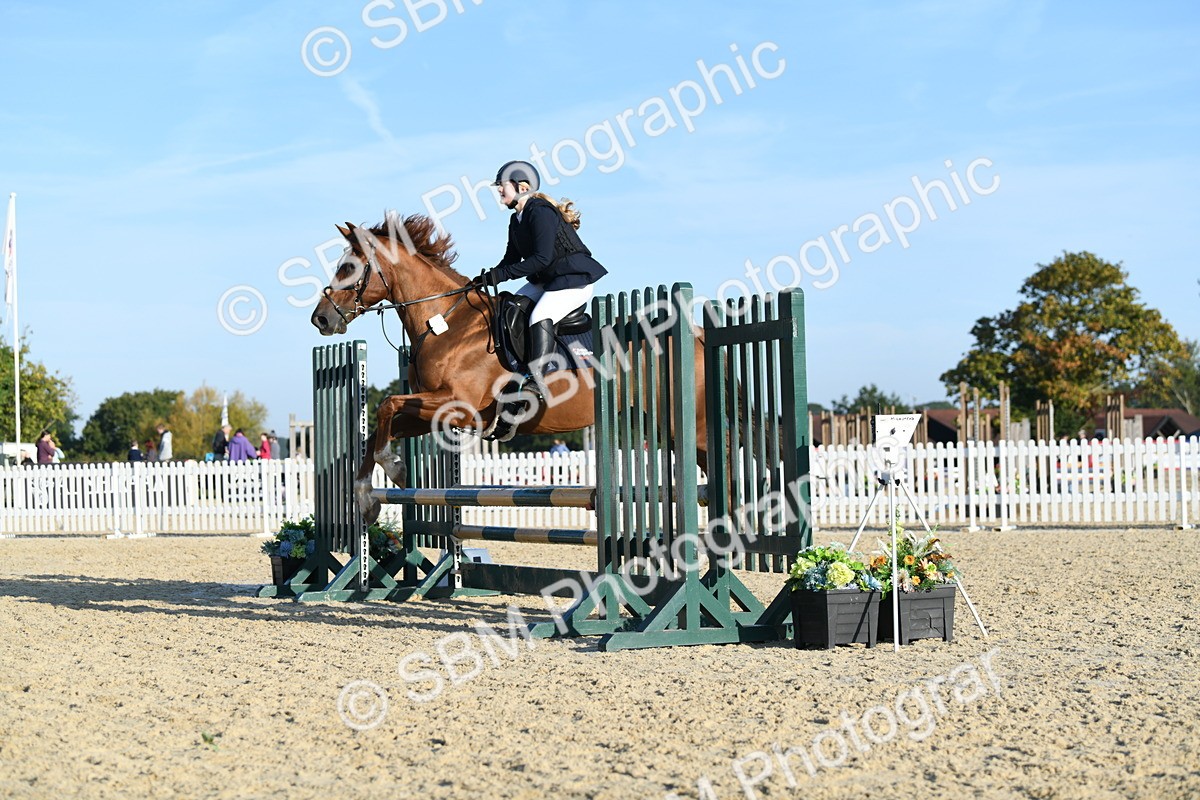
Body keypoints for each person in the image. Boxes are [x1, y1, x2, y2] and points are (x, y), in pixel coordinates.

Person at [473, 160, 607, 406]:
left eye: (502, 185)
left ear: (522, 187)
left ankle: (537, 380)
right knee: (511, 306)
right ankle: (518, 366)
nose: (499, 190)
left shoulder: (540, 211)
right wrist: (487, 278)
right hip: (549, 280)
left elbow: (541, 259)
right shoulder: (516, 219)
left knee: (539, 316)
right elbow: (511, 259)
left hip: (573, 279)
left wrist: (501, 276)